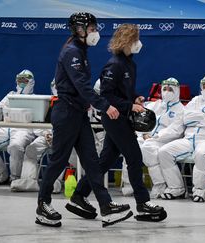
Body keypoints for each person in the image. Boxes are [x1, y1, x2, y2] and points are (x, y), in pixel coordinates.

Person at [66, 23, 167, 223]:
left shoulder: (130, 63)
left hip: (122, 116)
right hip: (114, 118)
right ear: (127, 41)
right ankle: (143, 203)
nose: (139, 43)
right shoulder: (114, 65)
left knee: (106, 160)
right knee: (134, 157)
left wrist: (135, 98)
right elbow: (106, 95)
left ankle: (79, 196)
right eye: (136, 39)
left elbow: (123, 92)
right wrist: (129, 106)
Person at [36, 12, 130, 228]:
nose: (95, 33)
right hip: (67, 113)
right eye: (91, 29)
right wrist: (106, 107)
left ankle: (106, 207)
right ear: (79, 30)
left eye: (95, 28)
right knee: (59, 160)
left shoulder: (81, 51)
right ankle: (43, 204)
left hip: (78, 113)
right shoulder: (72, 52)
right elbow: (82, 86)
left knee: (91, 161)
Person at [158, 72, 205, 201]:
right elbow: (186, 119)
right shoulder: (195, 100)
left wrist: (198, 117)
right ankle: (176, 188)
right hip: (189, 138)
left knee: (201, 154)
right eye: (204, 85)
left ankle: (200, 191)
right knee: (164, 152)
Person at [0, 69, 36, 185]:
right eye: (19, 80)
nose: (21, 83)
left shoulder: (35, 99)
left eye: (24, 80)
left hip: (23, 130)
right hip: (6, 128)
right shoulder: (10, 95)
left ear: (30, 82)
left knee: (15, 146)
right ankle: (0, 174)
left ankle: (15, 178)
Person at [10, 80, 65, 193]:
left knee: (63, 152)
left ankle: (56, 182)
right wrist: (46, 134)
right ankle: (28, 181)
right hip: (46, 135)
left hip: (66, 137)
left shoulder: (74, 102)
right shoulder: (47, 103)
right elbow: (37, 123)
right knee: (31, 149)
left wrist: (61, 135)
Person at [140, 77, 185, 198]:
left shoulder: (181, 109)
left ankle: (160, 184)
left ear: (177, 91)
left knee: (148, 148)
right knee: (130, 146)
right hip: (148, 137)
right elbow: (143, 120)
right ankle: (131, 186)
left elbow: (176, 130)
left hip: (167, 140)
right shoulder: (155, 105)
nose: (167, 91)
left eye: (171, 89)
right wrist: (143, 133)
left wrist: (155, 136)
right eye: (165, 89)